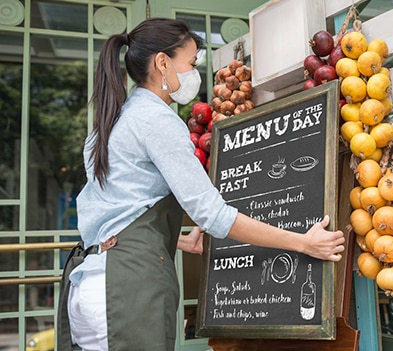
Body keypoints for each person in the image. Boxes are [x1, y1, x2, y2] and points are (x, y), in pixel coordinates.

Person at [57, 18, 345, 351]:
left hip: (87, 285)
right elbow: (213, 215)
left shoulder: (109, 123)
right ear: (163, 63)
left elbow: (116, 215)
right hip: (126, 291)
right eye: (191, 63)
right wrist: (303, 243)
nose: (194, 73)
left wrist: (175, 239)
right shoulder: (158, 120)